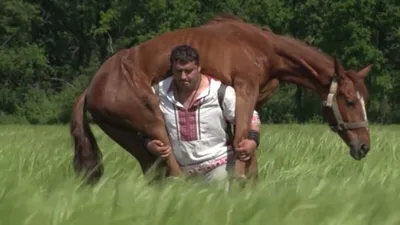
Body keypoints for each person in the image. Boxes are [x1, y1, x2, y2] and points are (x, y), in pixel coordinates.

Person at [144, 44, 261, 188]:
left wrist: (253, 140)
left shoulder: (220, 92)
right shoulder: (158, 93)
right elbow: (145, 123)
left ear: (199, 67)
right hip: (179, 173)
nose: (183, 77)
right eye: (178, 71)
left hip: (219, 167)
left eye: (188, 71)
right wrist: (149, 144)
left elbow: (250, 117)